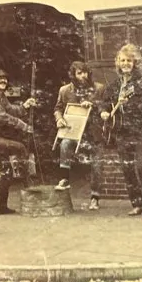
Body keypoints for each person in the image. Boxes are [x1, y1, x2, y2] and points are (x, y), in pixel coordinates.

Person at [98, 43, 142, 218]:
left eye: (129, 60)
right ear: (118, 62)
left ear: (135, 62)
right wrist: (103, 112)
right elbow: (104, 103)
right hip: (122, 132)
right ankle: (137, 204)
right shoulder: (114, 85)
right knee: (127, 168)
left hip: (140, 132)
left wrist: (129, 104)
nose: (126, 63)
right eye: (122, 60)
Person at [54, 60, 104, 211]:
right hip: (73, 131)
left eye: (85, 72)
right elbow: (58, 108)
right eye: (79, 73)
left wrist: (93, 105)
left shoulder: (99, 88)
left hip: (93, 132)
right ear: (73, 75)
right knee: (65, 143)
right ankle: (64, 179)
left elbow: (105, 106)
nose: (83, 76)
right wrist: (59, 119)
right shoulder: (64, 90)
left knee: (97, 165)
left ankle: (95, 198)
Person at [0, 67, 39, 215]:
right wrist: (23, 126)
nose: (3, 80)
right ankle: (28, 185)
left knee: (7, 172)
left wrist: (24, 106)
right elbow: (1, 117)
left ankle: (1, 207)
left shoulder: (0, 95)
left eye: (4, 78)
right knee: (20, 148)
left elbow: (11, 110)